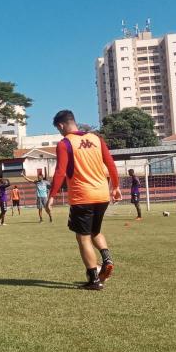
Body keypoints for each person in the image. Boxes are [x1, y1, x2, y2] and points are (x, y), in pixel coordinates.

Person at [48, 110, 121, 290]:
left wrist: (52, 196)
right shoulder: (97, 139)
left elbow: (60, 172)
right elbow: (110, 163)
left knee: (83, 238)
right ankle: (106, 259)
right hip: (102, 194)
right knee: (95, 231)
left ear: (61, 125)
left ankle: (94, 279)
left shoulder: (65, 143)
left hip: (83, 196)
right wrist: (116, 186)